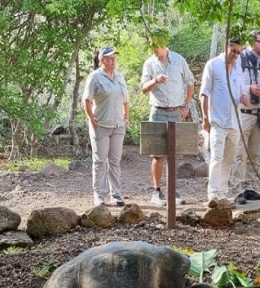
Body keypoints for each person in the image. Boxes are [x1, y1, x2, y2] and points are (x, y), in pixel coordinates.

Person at [140, 28, 195, 207]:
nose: (154, 49)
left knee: (174, 152)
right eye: (152, 45)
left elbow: (190, 82)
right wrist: (155, 80)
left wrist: (186, 106)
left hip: (176, 112)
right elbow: (143, 88)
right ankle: (157, 192)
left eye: (157, 45)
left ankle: (172, 190)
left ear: (164, 43)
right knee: (158, 154)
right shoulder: (149, 64)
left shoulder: (179, 60)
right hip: (158, 111)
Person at [200, 38, 248, 209]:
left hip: (234, 121)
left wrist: (244, 98)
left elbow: (243, 95)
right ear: (226, 47)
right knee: (216, 157)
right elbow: (204, 93)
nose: (235, 55)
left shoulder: (238, 70)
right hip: (217, 120)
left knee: (228, 159)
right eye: (233, 51)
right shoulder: (213, 65)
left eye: (238, 52)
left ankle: (222, 193)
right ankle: (213, 194)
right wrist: (205, 119)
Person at [82, 47, 129, 207]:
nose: (113, 60)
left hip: (118, 125)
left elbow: (125, 99)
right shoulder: (94, 77)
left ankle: (116, 195)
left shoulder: (120, 77)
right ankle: (99, 195)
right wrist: (93, 121)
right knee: (100, 161)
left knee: (115, 160)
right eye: (109, 58)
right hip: (101, 125)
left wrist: (126, 116)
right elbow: (86, 101)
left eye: (114, 58)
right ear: (102, 60)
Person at [231, 30, 260, 204]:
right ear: (251, 42)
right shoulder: (240, 60)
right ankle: (236, 188)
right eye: (259, 41)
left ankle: (249, 187)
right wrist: (249, 89)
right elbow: (235, 83)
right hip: (243, 113)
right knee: (239, 153)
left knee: (253, 154)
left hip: (259, 113)